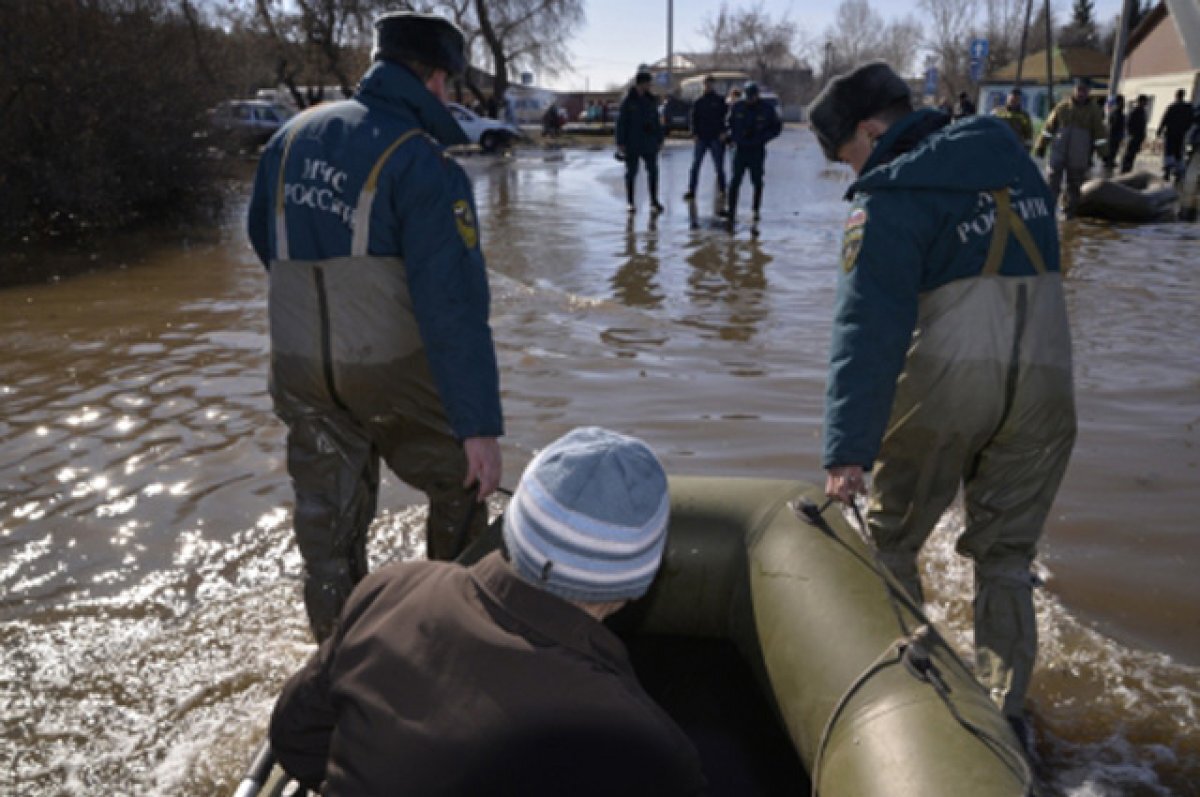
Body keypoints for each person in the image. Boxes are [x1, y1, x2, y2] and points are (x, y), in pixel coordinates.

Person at [808, 61, 1075, 747]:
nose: (852, 174)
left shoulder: (890, 196)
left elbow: (866, 330)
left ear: (871, 129)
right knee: (1007, 555)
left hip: (951, 383)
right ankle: (1007, 717)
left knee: (890, 539)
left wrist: (847, 452)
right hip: (1047, 385)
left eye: (850, 155)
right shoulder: (1016, 161)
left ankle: (922, 708)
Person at [269, 427, 708, 796]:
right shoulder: (645, 745)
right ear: (638, 581)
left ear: (515, 528)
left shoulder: (389, 591)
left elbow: (295, 741)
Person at [247, 12, 504, 642]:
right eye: (450, 84)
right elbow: (454, 308)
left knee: (327, 526)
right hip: (386, 369)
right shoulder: (423, 162)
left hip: (299, 367)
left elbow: (264, 242)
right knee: (463, 483)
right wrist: (478, 429)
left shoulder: (287, 140)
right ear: (437, 78)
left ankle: (335, 655)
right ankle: (447, 632)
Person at [1034, 78, 1108, 217]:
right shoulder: (1061, 107)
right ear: (1074, 90)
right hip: (1058, 152)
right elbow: (1048, 129)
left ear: (1089, 92)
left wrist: (1104, 154)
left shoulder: (1094, 111)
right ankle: (1048, 213)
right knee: (1052, 182)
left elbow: (1100, 134)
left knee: (1074, 186)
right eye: (1079, 90)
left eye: (1084, 91)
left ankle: (1069, 214)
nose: (1081, 93)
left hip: (1079, 154)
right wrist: (1041, 146)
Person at [724, 82, 782, 225]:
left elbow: (777, 128)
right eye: (747, 97)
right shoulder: (737, 107)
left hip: (756, 150)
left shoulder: (766, 109)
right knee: (735, 181)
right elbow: (728, 124)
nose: (749, 100)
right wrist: (730, 136)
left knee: (756, 181)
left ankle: (755, 209)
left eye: (752, 97)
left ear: (757, 96)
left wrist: (762, 138)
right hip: (740, 149)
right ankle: (731, 212)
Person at [616, 70, 666, 214]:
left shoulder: (651, 100)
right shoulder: (628, 101)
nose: (650, 85)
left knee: (653, 172)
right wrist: (620, 142)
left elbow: (657, 121)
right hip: (632, 142)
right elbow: (621, 123)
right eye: (648, 83)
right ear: (641, 83)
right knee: (631, 173)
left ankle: (654, 201)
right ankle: (630, 202)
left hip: (649, 142)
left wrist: (660, 138)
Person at [684, 75, 728, 205]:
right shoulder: (698, 101)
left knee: (719, 166)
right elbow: (693, 118)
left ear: (714, 85)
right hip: (701, 137)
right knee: (695, 165)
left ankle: (723, 189)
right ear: (703, 85)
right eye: (706, 84)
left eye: (710, 84)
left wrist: (724, 132)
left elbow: (726, 117)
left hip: (716, 137)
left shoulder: (719, 100)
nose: (708, 86)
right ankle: (691, 190)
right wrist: (694, 133)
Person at [1157, 89, 1195, 182]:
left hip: (1171, 133)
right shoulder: (1188, 108)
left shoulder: (1173, 106)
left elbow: (1165, 118)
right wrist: (1185, 129)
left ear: (1176, 96)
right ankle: (1178, 173)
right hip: (1181, 134)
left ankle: (1167, 173)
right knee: (1178, 153)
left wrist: (1159, 130)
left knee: (1169, 152)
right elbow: (1191, 120)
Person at [1120, 94, 1149, 174]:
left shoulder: (1142, 112)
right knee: (1129, 153)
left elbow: (1143, 125)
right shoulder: (1136, 111)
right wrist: (1131, 134)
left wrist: (1143, 135)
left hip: (1138, 137)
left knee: (1133, 153)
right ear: (1141, 101)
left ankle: (1128, 168)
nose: (1146, 103)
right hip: (1134, 136)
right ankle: (1125, 169)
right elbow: (1129, 123)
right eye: (1145, 101)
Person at [1102, 94, 1125, 171]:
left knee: (1115, 149)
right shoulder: (1116, 111)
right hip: (1113, 134)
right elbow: (1112, 123)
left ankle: (1110, 161)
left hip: (1117, 134)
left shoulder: (1119, 111)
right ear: (1118, 102)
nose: (1123, 103)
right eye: (1121, 101)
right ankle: (1108, 162)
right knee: (1112, 148)